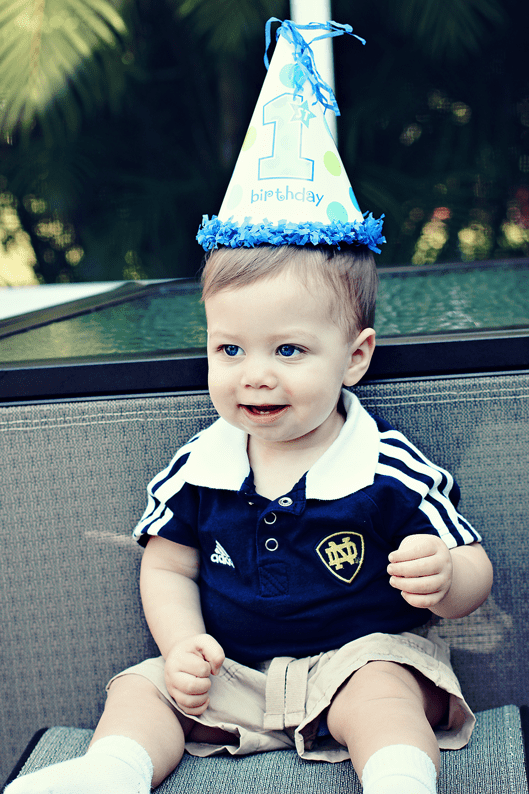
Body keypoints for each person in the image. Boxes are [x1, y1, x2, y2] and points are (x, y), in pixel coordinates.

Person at [6, 20, 493, 794]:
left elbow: (470, 564)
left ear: (354, 357)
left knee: (386, 692)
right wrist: (182, 646)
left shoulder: (386, 467)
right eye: (229, 349)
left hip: (355, 660)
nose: (254, 376)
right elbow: (168, 564)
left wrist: (446, 577)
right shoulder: (197, 467)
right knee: (139, 691)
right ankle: (111, 772)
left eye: (288, 350)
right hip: (230, 670)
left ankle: (398, 777)